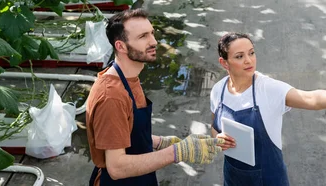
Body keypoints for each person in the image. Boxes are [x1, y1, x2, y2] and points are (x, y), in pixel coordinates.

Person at [210, 33, 326, 186]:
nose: (249, 60)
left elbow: (311, 98)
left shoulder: (268, 89)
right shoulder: (218, 90)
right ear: (224, 63)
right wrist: (217, 139)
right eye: (239, 56)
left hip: (269, 179)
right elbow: (215, 127)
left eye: (251, 53)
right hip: (234, 178)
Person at [85, 9, 225, 186]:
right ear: (120, 46)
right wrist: (176, 152)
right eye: (143, 36)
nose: (154, 41)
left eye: (151, 33)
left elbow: (126, 131)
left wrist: (161, 142)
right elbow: (117, 168)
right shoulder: (111, 97)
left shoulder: (128, 77)